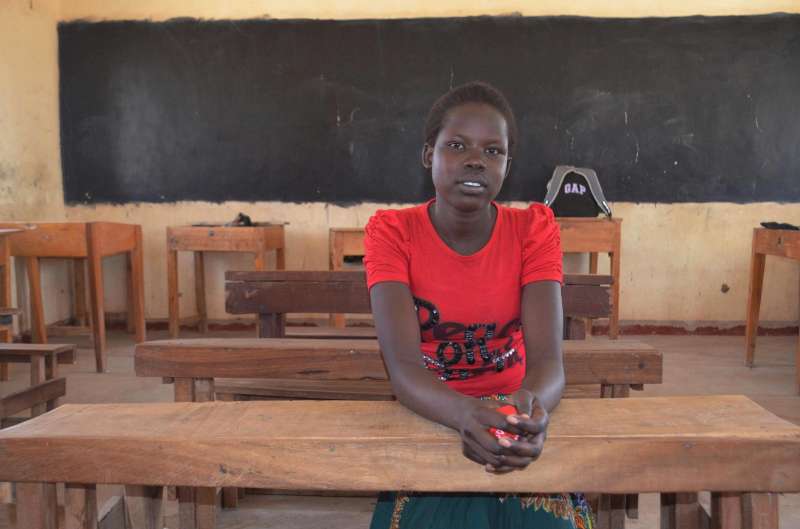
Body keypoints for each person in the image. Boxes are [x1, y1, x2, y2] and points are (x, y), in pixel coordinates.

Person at [364, 81, 593, 529]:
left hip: (515, 408)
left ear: (508, 164)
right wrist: (464, 414)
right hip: (431, 408)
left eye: (493, 151)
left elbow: (549, 362)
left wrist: (526, 416)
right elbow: (404, 368)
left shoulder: (533, 230)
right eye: (457, 145)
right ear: (429, 154)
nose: (475, 160)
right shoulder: (392, 233)